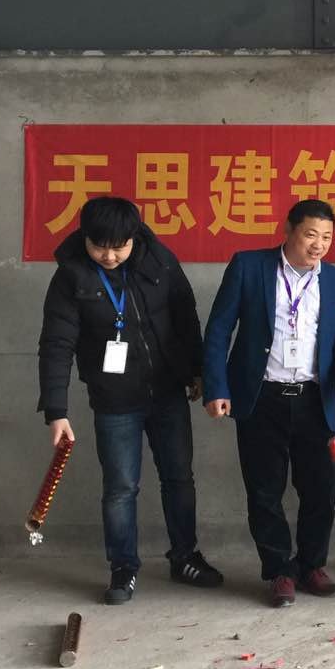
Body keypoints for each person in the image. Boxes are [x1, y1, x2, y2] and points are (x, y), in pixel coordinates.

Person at [37, 196, 222, 605]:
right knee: (121, 487)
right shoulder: (71, 276)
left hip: (168, 392)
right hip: (114, 400)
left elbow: (185, 316)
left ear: (134, 237)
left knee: (179, 478)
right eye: (99, 246)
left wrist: (196, 371)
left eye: (119, 247)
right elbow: (56, 344)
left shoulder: (159, 259)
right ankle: (123, 567)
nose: (109, 256)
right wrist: (56, 411)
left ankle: (185, 557)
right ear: (85, 237)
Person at [202, 199, 335, 608]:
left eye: (326, 237)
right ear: (288, 230)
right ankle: (279, 571)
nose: (318, 245)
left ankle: (312, 565)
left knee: (321, 489)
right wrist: (217, 388)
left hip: (315, 400)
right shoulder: (249, 266)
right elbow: (219, 329)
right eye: (310, 234)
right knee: (264, 490)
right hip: (262, 398)